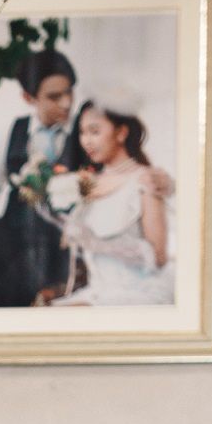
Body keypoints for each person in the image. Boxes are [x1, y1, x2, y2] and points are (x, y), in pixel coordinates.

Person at [52, 95, 175, 307]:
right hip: (96, 292)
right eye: (82, 132)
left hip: (138, 293)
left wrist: (96, 243)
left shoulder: (146, 181)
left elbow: (158, 257)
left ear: (121, 133)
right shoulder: (88, 184)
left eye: (94, 131)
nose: (86, 141)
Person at [0, 49, 82, 307]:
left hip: (60, 250)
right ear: (29, 97)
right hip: (13, 239)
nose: (66, 103)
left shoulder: (85, 134)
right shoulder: (11, 131)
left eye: (69, 92)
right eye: (54, 96)